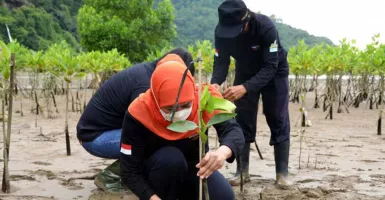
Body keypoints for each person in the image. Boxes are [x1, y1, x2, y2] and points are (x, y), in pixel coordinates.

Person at [120, 54, 245, 200]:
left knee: (223, 196)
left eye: (186, 105)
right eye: (170, 109)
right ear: (155, 99)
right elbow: (129, 171)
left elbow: (233, 131)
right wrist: (151, 197)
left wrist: (222, 152)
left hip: (196, 170)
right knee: (171, 159)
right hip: (158, 174)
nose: (179, 113)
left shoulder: (204, 100)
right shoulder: (139, 111)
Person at [76, 48, 196, 194]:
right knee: (156, 138)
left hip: (110, 130)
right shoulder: (147, 85)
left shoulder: (149, 72)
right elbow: (142, 127)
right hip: (95, 137)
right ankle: (110, 176)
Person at [210, 0, 291, 187]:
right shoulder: (220, 32)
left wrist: (245, 88)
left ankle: (281, 174)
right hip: (245, 70)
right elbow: (221, 63)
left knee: (278, 118)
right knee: (242, 120)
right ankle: (242, 172)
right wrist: (215, 83)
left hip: (275, 72)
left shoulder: (265, 27)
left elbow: (271, 66)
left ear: (246, 21)